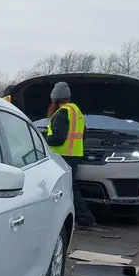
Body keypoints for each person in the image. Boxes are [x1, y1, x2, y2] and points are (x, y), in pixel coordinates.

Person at [44, 81, 96, 227]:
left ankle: (85, 219)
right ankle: (83, 218)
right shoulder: (76, 112)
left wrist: (43, 139)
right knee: (69, 187)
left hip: (62, 156)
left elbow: (58, 138)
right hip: (74, 155)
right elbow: (83, 135)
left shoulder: (61, 113)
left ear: (55, 99)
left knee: (66, 188)